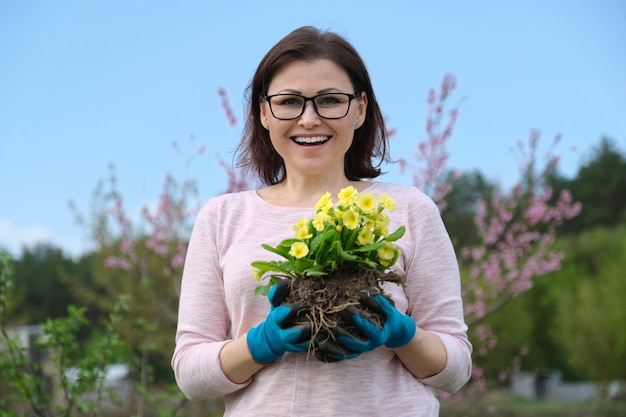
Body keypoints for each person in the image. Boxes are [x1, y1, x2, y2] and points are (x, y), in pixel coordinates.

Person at [171, 26, 472, 416]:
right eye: (289, 101)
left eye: (330, 100)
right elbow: (191, 375)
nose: (309, 119)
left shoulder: (409, 209)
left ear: (360, 108)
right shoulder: (222, 218)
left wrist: (401, 334)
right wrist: (261, 343)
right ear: (264, 112)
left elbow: (455, 370)